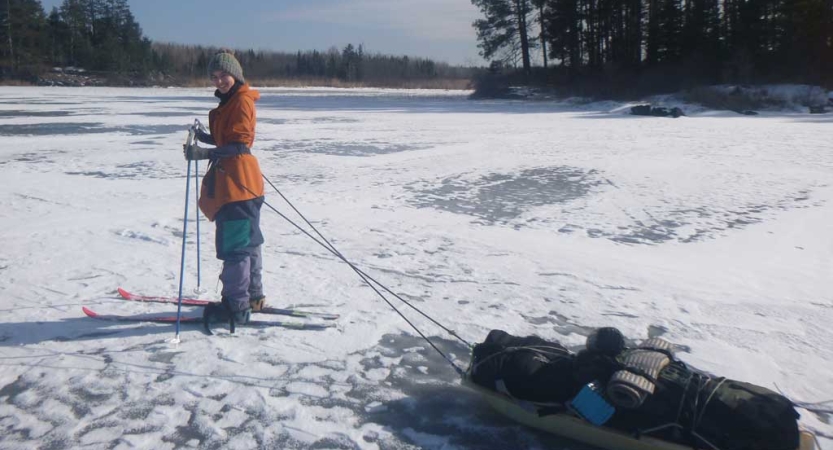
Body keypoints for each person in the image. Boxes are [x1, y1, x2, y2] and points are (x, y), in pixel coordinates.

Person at [184, 49, 266, 326]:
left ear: (236, 75)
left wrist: (203, 154)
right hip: (243, 184)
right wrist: (205, 137)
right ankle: (253, 297)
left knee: (235, 248)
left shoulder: (241, 101)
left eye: (224, 75)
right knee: (248, 242)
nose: (219, 81)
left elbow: (240, 145)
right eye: (215, 77)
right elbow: (227, 140)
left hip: (237, 186)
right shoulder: (231, 101)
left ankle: (236, 307)